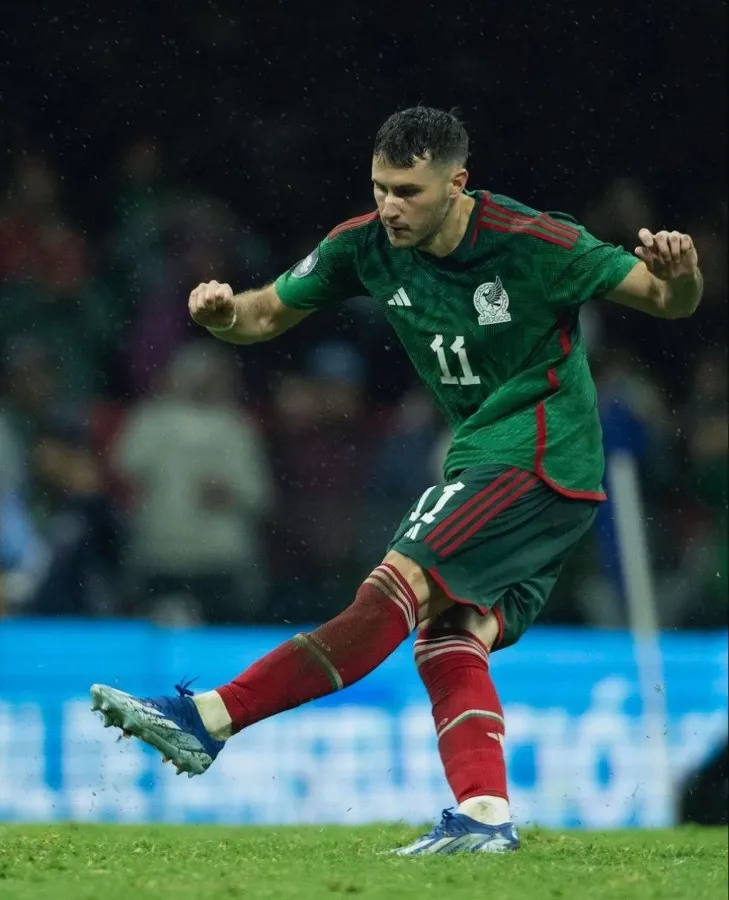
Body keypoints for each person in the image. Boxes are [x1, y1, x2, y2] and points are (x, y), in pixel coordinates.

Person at [90, 107, 703, 855]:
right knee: (447, 637)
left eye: (408, 190)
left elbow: (665, 299)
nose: (389, 205)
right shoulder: (365, 246)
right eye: (380, 187)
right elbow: (263, 315)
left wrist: (682, 275)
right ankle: (483, 818)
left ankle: (210, 717)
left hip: (536, 453)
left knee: (393, 587)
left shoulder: (534, 241)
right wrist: (221, 314)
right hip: (507, 468)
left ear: (457, 183)